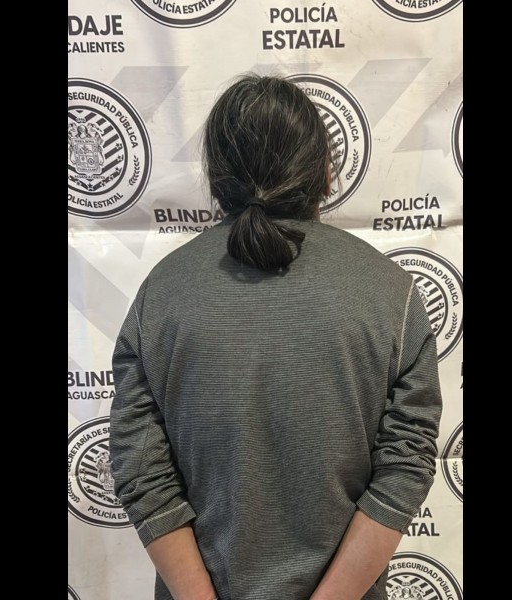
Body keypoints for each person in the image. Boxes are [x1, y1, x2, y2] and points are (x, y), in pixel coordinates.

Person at [109, 73, 442, 600]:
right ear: (326, 172)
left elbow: (139, 469)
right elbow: (405, 467)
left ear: (217, 178)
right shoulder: (392, 294)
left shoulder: (160, 295)